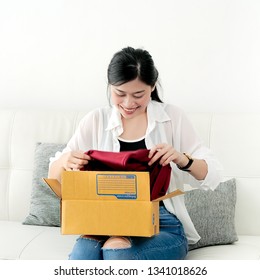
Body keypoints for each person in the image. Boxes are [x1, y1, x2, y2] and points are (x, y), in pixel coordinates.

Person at [48, 46, 223, 260]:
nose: (129, 104)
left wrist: (182, 158)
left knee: (117, 251)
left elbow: (213, 174)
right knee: (82, 256)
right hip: (104, 220)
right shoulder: (95, 120)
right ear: (110, 87)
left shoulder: (172, 118)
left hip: (161, 223)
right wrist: (66, 160)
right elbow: (54, 177)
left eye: (138, 95)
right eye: (120, 94)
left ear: (152, 87)